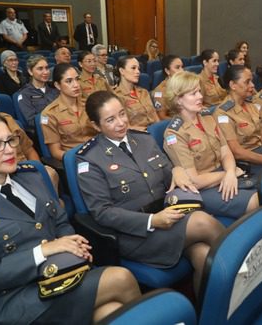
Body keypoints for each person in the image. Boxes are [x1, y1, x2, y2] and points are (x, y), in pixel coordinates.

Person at [0, 112, 141, 324]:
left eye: (10, 140)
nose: (10, 150)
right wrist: (43, 251)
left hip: (62, 273)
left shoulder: (30, 176)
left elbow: (61, 222)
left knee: (110, 311)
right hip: (15, 299)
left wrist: (70, 246)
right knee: (120, 278)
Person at [77, 90, 224, 293]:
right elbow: (102, 212)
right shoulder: (89, 159)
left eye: (122, 114)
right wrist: (152, 221)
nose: (121, 123)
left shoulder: (143, 139)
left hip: (169, 216)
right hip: (137, 233)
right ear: (95, 125)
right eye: (110, 120)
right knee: (201, 222)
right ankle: (248, 266)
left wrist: (177, 170)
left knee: (204, 257)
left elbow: (167, 171)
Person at [163, 71, 259, 218]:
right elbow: (194, 180)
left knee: (260, 190)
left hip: (223, 175)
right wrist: (227, 174)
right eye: (193, 93)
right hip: (202, 189)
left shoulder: (207, 117)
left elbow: (226, 151)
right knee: (253, 201)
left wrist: (231, 172)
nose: (200, 96)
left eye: (199, 91)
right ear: (178, 100)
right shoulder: (174, 134)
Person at [41, 63, 98, 161]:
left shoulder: (89, 104)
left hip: (98, 152)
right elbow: (55, 152)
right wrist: (77, 158)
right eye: (69, 81)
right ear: (58, 85)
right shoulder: (50, 114)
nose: (76, 85)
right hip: (75, 158)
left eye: (77, 79)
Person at [113, 55, 159, 131]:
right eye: (133, 68)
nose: (138, 72)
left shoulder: (144, 92)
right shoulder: (116, 96)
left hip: (152, 132)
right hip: (136, 135)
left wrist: (160, 131)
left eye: (138, 69)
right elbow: (125, 126)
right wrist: (148, 131)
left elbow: (155, 116)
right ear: (122, 71)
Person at [17, 55, 59, 127]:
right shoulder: (24, 94)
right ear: (30, 71)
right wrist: (52, 119)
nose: (45, 72)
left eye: (47, 68)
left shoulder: (55, 88)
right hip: (46, 130)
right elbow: (32, 121)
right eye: (40, 69)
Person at [151, 54, 184, 119]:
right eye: (177, 67)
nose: (182, 70)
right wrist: (182, 121)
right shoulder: (159, 91)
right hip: (175, 123)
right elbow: (161, 117)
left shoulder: (184, 84)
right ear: (167, 71)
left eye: (182, 67)